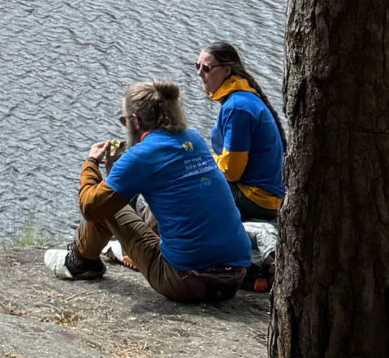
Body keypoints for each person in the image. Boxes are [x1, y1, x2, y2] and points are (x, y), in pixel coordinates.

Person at [43, 81, 252, 303]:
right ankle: (105, 254)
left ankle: (79, 263)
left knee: (105, 205)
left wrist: (91, 162)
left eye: (124, 120)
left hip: (186, 282)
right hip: (233, 278)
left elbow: (90, 208)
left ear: (135, 120)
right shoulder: (194, 140)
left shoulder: (141, 155)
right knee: (170, 198)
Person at [196, 41, 285, 221]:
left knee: (179, 179)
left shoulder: (237, 109)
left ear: (226, 70)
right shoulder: (241, 98)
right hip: (261, 193)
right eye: (197, 66)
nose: (199, 73)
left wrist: (201, 159)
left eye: (206, 68)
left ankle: (156, 240)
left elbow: (231, 171)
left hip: (256, 199)